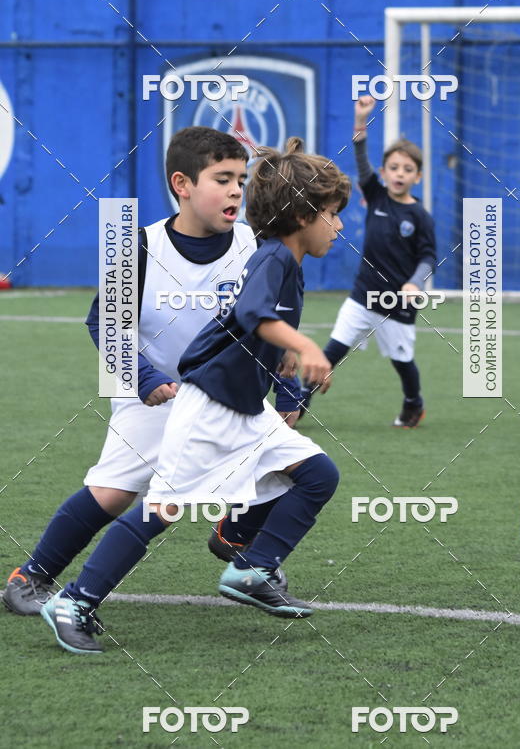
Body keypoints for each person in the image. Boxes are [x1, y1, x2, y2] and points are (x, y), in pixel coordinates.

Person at [40, 137, 351, 653]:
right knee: (155, 510)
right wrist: (300, 344)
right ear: (301, 215)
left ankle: (251, 569)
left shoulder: (273, 255)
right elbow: (253, 315)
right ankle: (74, 600)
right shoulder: (272, 258)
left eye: (240, 181)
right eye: (333, 215)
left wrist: (286, 366)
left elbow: (254, 328)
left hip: (247, 408)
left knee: (319, 474)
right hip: (207, 406)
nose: (339, 227)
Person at [4, 126, 300, 616]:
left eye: (241, 179)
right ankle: (30, 576)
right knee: (113, 493)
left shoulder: (255, 247)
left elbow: (275, 325)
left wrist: (289, 391)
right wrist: (143, 379)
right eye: (222, 178)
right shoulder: (139, 248)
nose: (235, 190)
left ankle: (237, 541)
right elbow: (104, 323)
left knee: (296, 470)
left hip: (230, 395)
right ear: (182, 185)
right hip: (155, 396)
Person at [300, 95, 436, 428]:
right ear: (384, 172)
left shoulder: (419, 215)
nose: (399, 174)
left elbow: (429, 256)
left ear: (417, 176)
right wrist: (361, 121)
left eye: (408, 169)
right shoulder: (375, 194)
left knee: (403, 362)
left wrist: (414, 282)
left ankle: (413, 404)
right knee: (332, 351)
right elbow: (360, 158)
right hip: (362, 295)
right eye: (394, 167)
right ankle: (296, 404)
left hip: (395, 303)